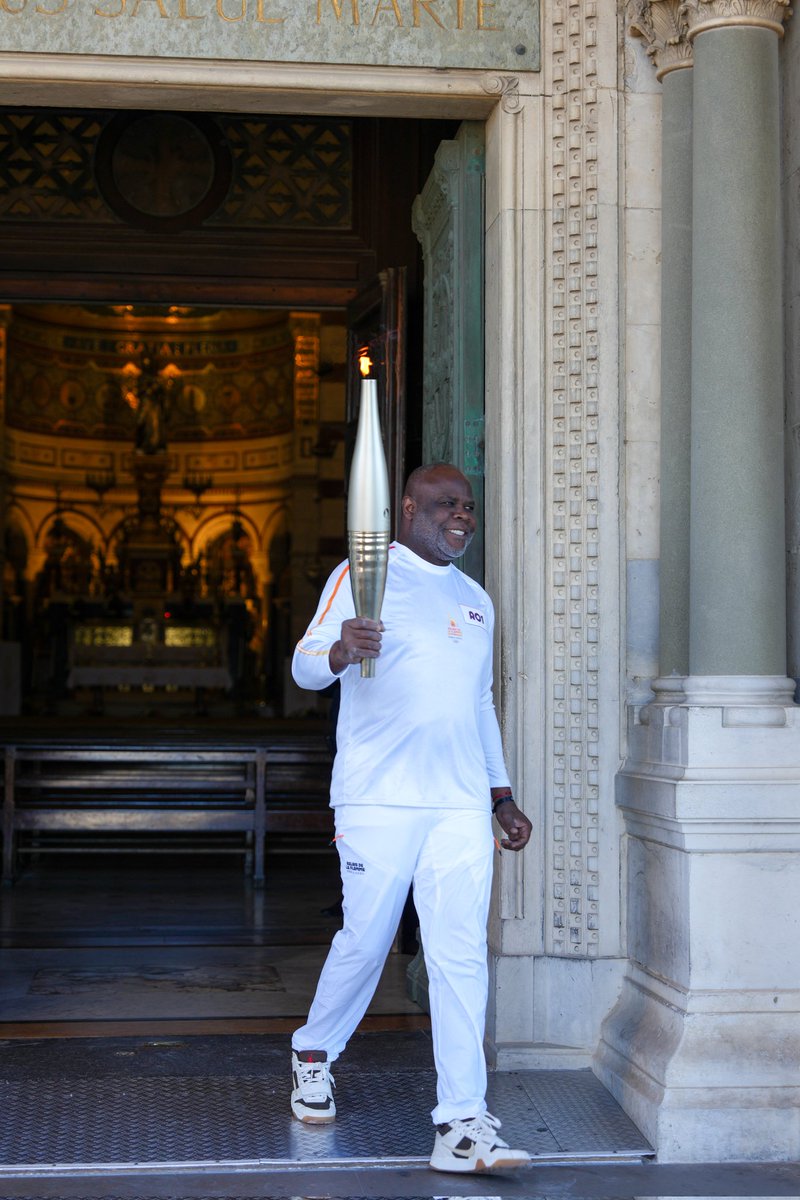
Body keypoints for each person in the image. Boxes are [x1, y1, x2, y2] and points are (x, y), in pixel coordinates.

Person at [290, 463, 533, 1174]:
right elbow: (306, 667)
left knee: (458, 956)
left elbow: (479, 704)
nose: (461, 515)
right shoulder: (364, 577)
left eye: (468, 506)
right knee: (366, 941)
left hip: (458, 804)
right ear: (406, 510)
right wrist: (341, 649)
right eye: (446, 504)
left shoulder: (476, 600)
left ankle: (461, 1124)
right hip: (377, 797)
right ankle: (313, 1051)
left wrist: (501, 795)